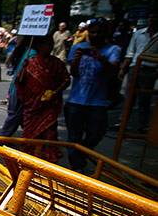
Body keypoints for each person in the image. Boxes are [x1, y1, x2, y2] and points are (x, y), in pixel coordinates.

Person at [64, 18, 121, 171]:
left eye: (99, 32)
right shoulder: (78, 48)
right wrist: (77, 59)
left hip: (97, 102)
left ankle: (80, 153)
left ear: (105, 32)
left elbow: (113, 72)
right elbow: (73, 73)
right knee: (73, 136)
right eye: (93, 32)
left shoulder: (112, 50)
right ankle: (77, 166)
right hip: (75, 101)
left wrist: (100, 58)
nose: (95, 35)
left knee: (97, 133)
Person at [14, 35, 71, 162]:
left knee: (48, 133)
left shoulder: (57, 64)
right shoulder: (30, 63)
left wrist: (55, 93)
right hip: (33, 104)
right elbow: (20, 81)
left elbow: (66, 80)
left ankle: (47, 161)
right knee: (30, 134)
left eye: (51, 44)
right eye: (47, 44)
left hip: (50, 106)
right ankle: (28, 158)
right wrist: (23, 69)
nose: (50, 47)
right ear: (39, 45)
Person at [116, 9, 158, 132]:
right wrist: (123, 69)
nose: (152, 19)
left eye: (155, 17)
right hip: (135, 68)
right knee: (129, 97)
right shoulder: (138, 34)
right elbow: (130, 52)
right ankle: (121, 122)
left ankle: (143, 125)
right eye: (150, 17)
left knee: (144, 100)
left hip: (150, 70)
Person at [0, 37, 35, 136]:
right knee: (15, 116)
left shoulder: (25, 51)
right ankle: (1, 140)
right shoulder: (31, 54)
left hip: (15, 89)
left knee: (20, 117)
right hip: (20, 90)